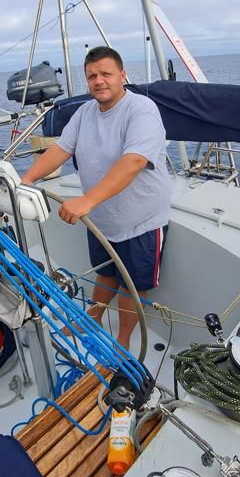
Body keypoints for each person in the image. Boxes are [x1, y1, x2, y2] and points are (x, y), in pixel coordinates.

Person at [21, 46, 171, 351]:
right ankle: (92, 319)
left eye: (106, 74)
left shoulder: (141, 109)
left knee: (132, 287)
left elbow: (134, 161)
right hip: (102, 219)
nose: (98, 81)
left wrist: (87, 201)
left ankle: (124, 340)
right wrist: (26, 180)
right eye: (92, 76)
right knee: (105, 273)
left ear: (122, 76)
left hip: (140, 221)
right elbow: (60, 151)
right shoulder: (85, 112)